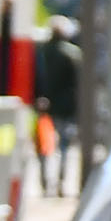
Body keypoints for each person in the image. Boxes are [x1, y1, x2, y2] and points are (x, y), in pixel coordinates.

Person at [35, 16, 81, 197]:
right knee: (63, 147)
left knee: (44, 147)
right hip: (66, 108)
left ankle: (45, 183)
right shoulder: (73, 54)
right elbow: (78, 84)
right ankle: (61, 182)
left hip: (44, 107)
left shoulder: (41, 52)